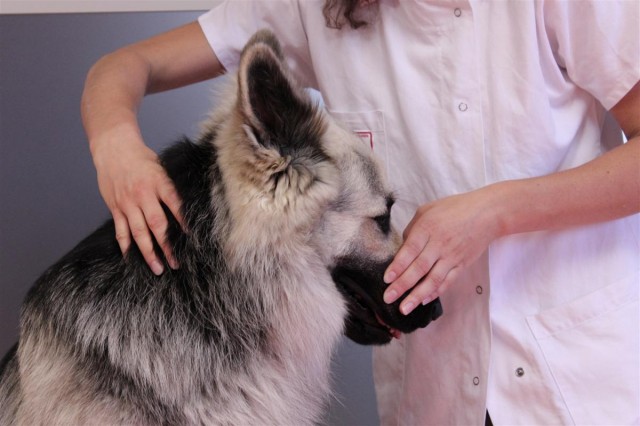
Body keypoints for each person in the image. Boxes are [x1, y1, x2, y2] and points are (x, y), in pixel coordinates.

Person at [81, 0, 640, 424]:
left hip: (578, 367)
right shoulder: (316, 7)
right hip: (434, 378)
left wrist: (493, 212)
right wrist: (115, 142)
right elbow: (125, 65)